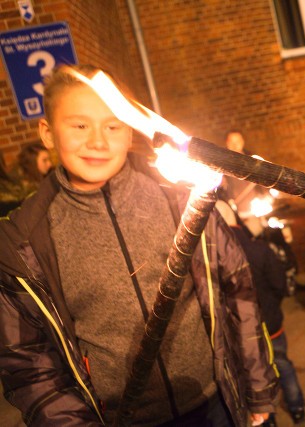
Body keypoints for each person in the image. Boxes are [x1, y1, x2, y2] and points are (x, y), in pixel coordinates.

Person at [0, 65, 278, 426]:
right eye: (79, 125)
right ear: (48, 133)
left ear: (130, 132)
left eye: (113, 125)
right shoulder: (24, 241)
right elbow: (28, 362)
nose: (98, 141)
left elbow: (236, 289)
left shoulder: (182, 199)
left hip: (216, 401)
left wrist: (256, 387)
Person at [216, 200, 305, 425]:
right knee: (282, 363)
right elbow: (279, 284)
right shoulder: (260, 249)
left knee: (252, 374)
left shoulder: (214, 259)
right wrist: (270, 306)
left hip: (239, 332)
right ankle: (297, 407)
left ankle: (268, 418)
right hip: (271, 322)